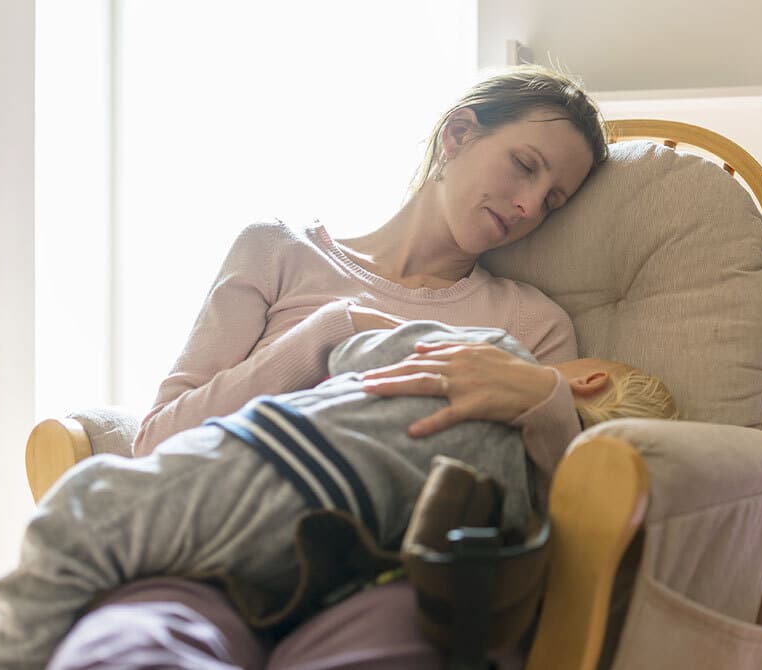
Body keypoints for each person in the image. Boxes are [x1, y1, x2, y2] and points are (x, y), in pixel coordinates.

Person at [40, 64, 616, 668]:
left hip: (386, 577)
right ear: (458, 135)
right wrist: (332, 331)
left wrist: (543, 398)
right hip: (210, 557)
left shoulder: (529, 324)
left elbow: (557, 512)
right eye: (524, 165)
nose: (528, 205)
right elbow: (157, 443)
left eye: (553, 200)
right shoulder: (278, 251)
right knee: (131, 646)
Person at [0, 320, 679, 669]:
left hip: (270, 459)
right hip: (326, 553)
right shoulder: (530, 500)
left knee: (82, 521)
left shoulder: (494, 346)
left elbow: (354, 355)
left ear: (583, 380)